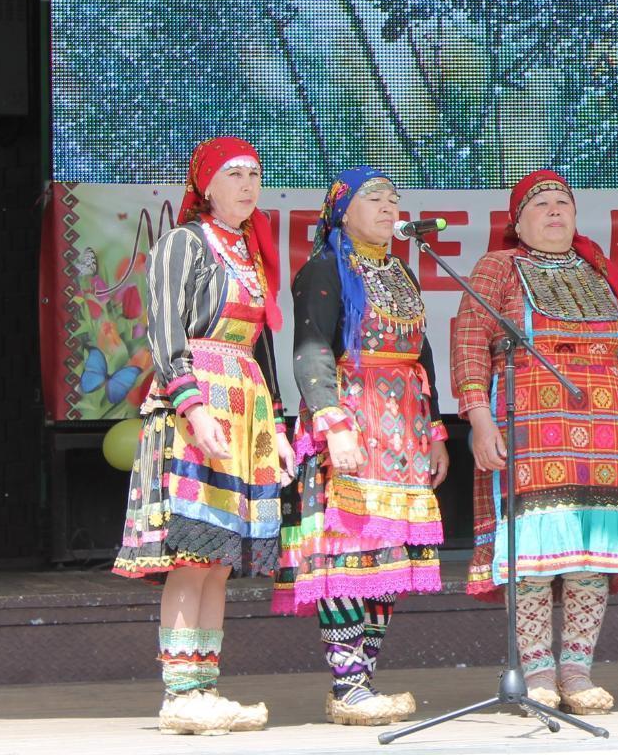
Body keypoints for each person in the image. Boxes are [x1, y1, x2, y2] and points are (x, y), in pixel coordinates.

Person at [452, 170, 618, 716]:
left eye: (562, 201)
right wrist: (478, 418)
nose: (554, 210)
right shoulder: (499, 266)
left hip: (607, 424)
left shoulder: (598, 270)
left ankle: (577, 670)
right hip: (529, 418)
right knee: (536, 555)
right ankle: (538, 671)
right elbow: (470, 338)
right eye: (540, 203)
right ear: (517, 221)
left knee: (590, 552)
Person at [113, 137, 295, 735]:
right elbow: (164, 332)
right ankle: (179, 691)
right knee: (190, 559)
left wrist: (279, 431)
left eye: (256, 173)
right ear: (207, 184)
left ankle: (205, 686)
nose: (248, 184)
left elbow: (260, 350)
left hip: (244, 411)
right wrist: (195, 410)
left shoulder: (250, 253)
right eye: (235, 173)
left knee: (217, 562)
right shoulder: (184, 243)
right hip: (194, 410)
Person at [272, 167, 447, 725]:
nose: (390, 206)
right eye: (376, 197)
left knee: (388, 557)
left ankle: (361, 682)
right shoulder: (326, 267)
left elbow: (422, 356)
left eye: (395, 198)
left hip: (402, 431)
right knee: (348, 554)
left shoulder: (400, 270)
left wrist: (437, 431)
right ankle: (347, 684)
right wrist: (333, 421)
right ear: (343, 210)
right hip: (353, 418)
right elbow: (311, 349)